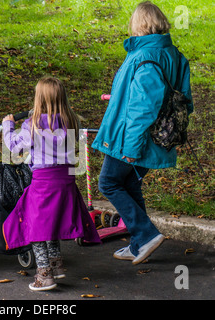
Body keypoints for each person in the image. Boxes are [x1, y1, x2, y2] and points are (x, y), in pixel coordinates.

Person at [92, 1, 193, 265]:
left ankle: (146, 235)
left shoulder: (145, 57)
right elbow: (184, 100)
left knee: (109, 183)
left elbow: (144, 109)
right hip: (158, 139)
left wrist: (131, 149)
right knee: (130, 184)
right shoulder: (173, 54)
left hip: (133, 138)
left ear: (140, 25)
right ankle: (140, 244)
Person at [2, 76, 100, 291]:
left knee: (35, 226)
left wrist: (8, 125)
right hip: (66, 180)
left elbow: (14, 148)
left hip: (44, 182)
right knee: (52, 222)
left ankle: (44, 274)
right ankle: (56, 264)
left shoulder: (33, 124)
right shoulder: (72, 120)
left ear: (39, 99)